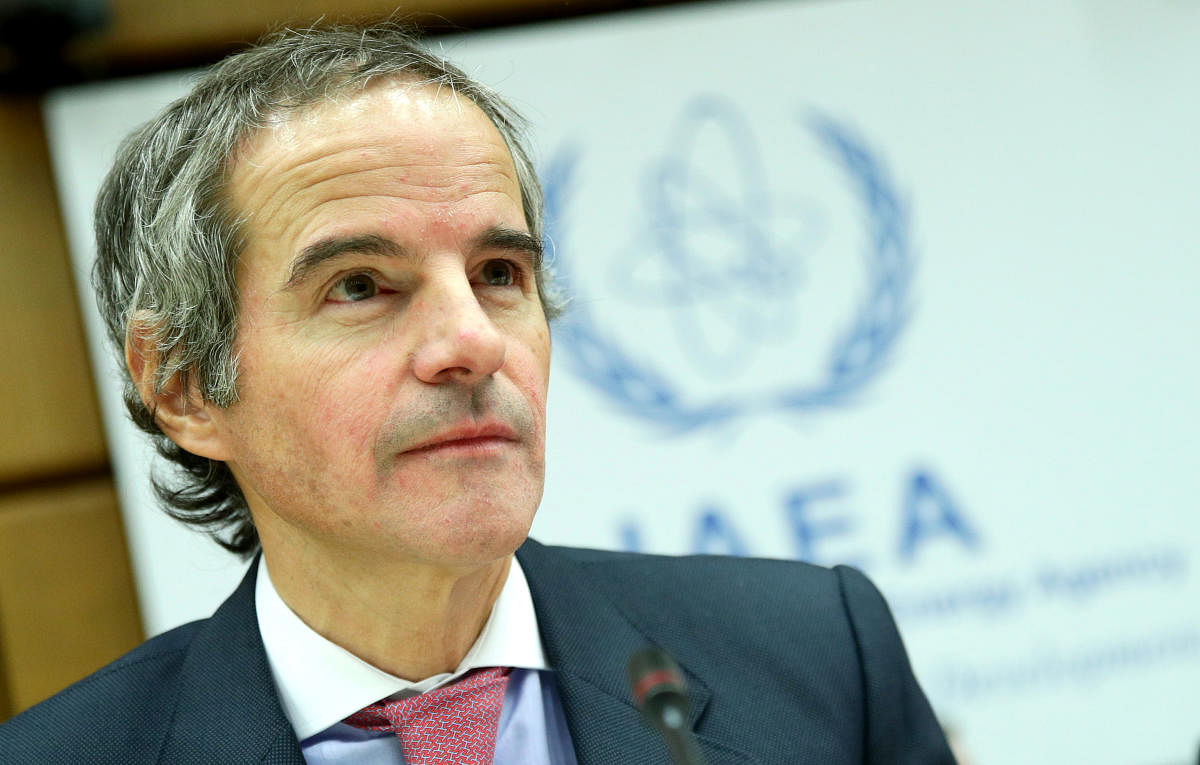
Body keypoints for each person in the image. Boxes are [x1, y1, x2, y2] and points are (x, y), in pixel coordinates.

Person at [0, 24, 956, 764]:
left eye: (500, 272)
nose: (470, 341)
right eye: (362, 286)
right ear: (185, 388)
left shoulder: (819, 656)